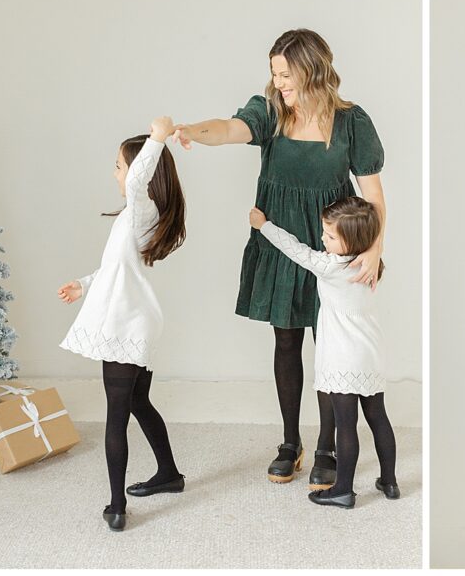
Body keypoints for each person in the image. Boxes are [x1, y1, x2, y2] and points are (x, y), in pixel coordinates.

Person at [171, 29, 385, 489]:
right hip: (280, 240)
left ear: (312, 69)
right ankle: (291, 442)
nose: (279, 82)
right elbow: (230, 129)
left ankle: (328, 445)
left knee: (330, 346)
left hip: (334, 247)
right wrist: (191, 131)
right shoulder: (269, 110)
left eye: (285, 73)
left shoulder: (352, 122)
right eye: (274, 73)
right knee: (286, 341)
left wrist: (375, 248)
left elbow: (373, 196)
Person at [58, 117, 187, 532]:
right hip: (134, 320)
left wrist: (156, 137)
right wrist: (83, 285)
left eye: (118, 165)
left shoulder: (142, 207)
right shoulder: (131, 218)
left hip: (126, 326)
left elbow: (136, 182)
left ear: (139, 172)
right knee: (136, 402)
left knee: (116, 413)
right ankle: (169, 474)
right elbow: (115, 270)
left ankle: (116, 506)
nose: (115, 173)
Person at [250, 196, 399, 508]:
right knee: (378, 417)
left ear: (352, 240)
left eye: (330, 236)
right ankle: (389, 481)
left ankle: (343, 489)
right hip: (370, 354)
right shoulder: (372, 265)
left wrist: (263, 226)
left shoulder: (331, 267)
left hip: (342, 358)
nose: (322, 239)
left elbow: (296, 250)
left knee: (346, 425)